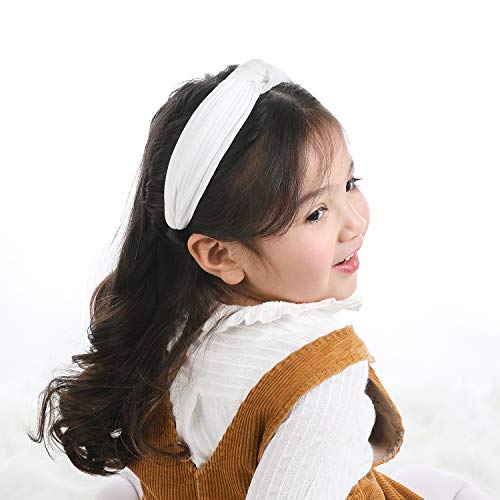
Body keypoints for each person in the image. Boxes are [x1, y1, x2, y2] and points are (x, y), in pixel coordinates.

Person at [28, 59, 491, 499]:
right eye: (315, 213)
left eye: (350, 184)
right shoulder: (321, 378)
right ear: (220, 254)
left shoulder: (163, 323)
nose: (355, 222)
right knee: (453, 490)